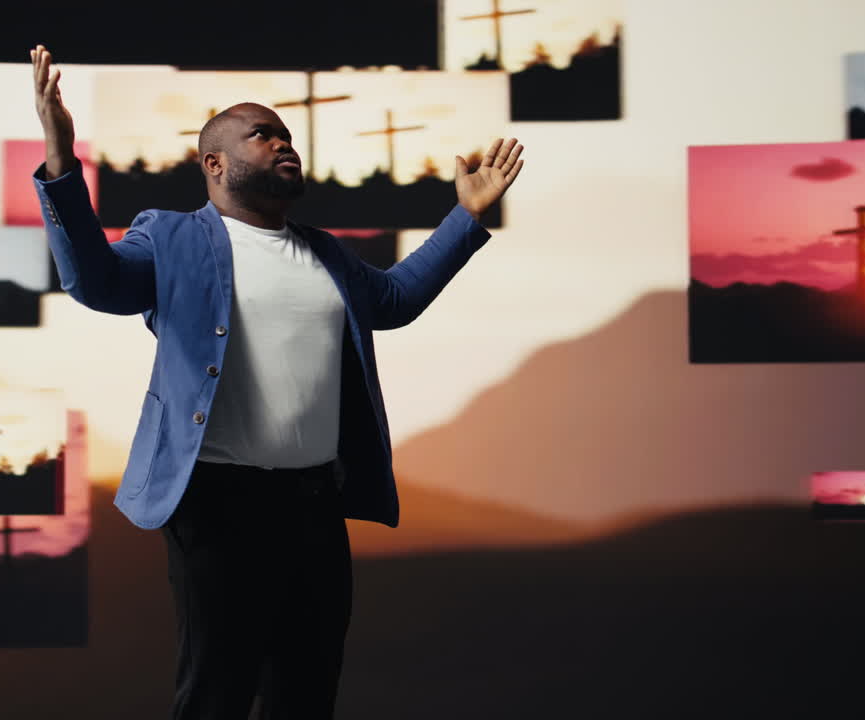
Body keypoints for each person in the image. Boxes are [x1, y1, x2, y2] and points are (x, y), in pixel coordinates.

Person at [28, 45, 524, 719]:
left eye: (287, 136)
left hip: (316, 505)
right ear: (215, 163)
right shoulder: (168, 238)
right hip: (218, 505)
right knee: (217, 694)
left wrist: (466, 217)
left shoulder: (326, 252)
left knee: (307, 693)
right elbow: (96, 282)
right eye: (263, 136)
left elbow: (397, 301)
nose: (283, 144)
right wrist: (62, 164)